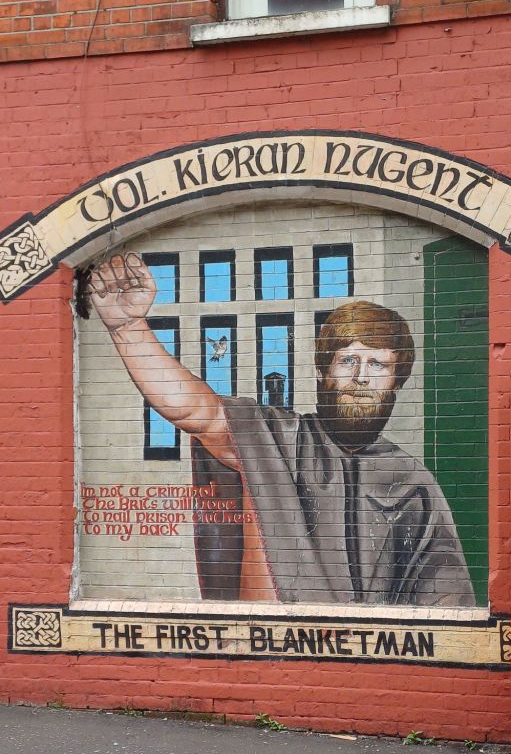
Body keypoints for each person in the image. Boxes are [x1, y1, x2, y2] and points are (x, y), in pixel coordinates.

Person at [87, 253, 475, 608]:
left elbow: (446, 596)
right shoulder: (275, 436)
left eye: (377, 365)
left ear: (396, 381)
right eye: (348, 361)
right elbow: (191, 408)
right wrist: (128, 327)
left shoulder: (413, 481)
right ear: (322, 370)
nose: (361, 377)